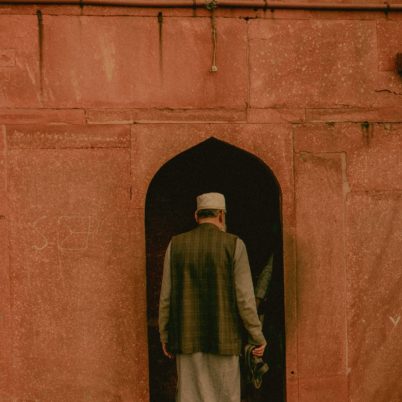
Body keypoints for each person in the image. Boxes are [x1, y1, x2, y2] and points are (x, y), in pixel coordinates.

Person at [158, 192, 267, 402]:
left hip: (185, 337)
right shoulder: (235, 245)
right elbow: (245, 299)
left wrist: (165, 334)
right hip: (225, 339)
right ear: (221, 215)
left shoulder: (175, 245)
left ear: (196, 215)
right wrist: (256, 336)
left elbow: (166, 297)